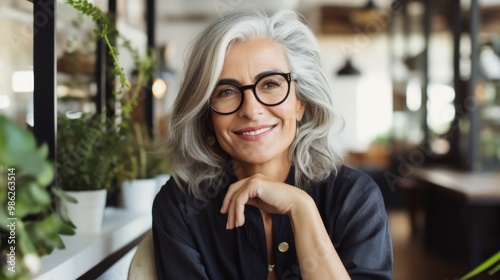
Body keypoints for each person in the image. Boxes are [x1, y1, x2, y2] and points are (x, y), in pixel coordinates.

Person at [152, 8, 393, 280]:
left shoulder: (355, 199)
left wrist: (301, 208)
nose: (251, 110)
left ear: (301, 102)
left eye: (270, 84)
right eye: (227, 91)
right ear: (207, 115)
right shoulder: (179, 206)